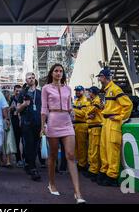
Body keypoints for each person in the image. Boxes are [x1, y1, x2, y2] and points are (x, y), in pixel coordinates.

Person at [41, 64, 86, 203]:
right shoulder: (46, 88)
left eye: (61, 71)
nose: (59, 73)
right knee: (53, 156)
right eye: (56, 71)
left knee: (71, 156)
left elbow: (70, 106)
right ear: (52, 73)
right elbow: (43, 108)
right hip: (53, 121)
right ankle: (52, 184)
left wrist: (72, 113)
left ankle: (78, 193)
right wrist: (42, 126)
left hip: (67, 121)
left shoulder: (68, 88)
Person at [96, 68, 132, 187]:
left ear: (105, 77)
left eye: (100, 76)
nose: (99, 79)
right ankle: (105, 172)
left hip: (113, 122)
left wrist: (119, 117)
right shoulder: (108, 90)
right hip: (106, 122)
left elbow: (128, 104)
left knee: (112, 150)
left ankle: (112, 176)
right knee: (104, 149)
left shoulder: (115, 89)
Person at [17, 73, 43, 181]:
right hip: (27, 123)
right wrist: (24, 104)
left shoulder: (40, 93)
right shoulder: (22, 93)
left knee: (36, 146)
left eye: (33, 78)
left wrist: (44, 124)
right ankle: (33, 168)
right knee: (29, 145)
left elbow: (44, 109)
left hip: (38, 122)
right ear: (26, 80)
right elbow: (17, 109)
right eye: (29, 78)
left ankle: (28, 164)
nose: (31, 80)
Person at [84, 86, 103, 181]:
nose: (88, 94)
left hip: (96, 127)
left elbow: (89, 111)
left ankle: (94, 170)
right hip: (91, 128)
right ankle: (92, 169)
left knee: (95, 150)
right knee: (91, 150)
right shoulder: (92, 102)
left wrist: (87, 113)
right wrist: (87, 114)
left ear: (93, 92)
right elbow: (86, 113)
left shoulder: (97, 101)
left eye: (89, 92)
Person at [73, 85, 90, 175]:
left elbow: (84, 113)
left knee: (82, 146)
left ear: (83, 91)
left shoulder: (85, 100)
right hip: (76, 124)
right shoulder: (76, 100)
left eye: (79, 91)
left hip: (82, 124)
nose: (77, 92)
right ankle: (79, 162)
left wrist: (73, 110)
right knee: (76, 146)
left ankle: (82, 164)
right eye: (76, 91)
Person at [9, 85, 24, 167]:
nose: (18, 92)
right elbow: (7, 109)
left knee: (24, 141)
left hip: (24, 122)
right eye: (16, 91)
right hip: (15, 122)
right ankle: (18, 159)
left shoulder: (23, 98)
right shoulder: (11, 98)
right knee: (17, 141)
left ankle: (25, 159)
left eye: (19, 91)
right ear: (14, 91)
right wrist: (11, 108)